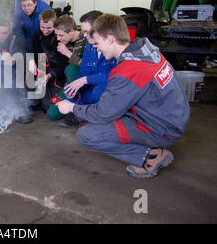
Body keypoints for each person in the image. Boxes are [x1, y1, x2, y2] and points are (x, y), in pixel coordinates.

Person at [56, 14, 190, 179]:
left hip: (163, 128)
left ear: (110, 39)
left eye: (98, 43)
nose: (97, 48)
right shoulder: (146, 51)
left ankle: (150, 156)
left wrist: (73, 108)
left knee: (86, 135)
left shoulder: (129, 70)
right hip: (173, 116)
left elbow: (103, 113)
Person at [47, 11, 117, 126]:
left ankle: (85, 113)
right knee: (53, 113)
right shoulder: (90, 48)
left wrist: (85, 80)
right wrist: (74, 90)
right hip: (89, 90)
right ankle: (82, 111)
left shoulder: (114, 50)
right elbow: (83, 72)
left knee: (98, 91)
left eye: (86, 32)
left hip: (104, 93)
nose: (84, 35)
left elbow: (115, 78)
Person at [0, 17, 32, 124]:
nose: (2, 36)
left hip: (14, 73)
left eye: (5, 33)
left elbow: (17, 60)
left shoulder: (17, 40)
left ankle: (20, 112)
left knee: (14, 78)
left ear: (10, 31)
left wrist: (10, 59)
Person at [28, 9, 69, 112]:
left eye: (49, 28)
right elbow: (33, 50)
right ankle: (33, 101)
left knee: (48, 107)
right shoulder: (38, 34)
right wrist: (31, 61)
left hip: (58, 73)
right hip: (42, 66)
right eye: (42, 27)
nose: (45, 31)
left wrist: (50, 75)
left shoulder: (59, 37)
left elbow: (63, 65)